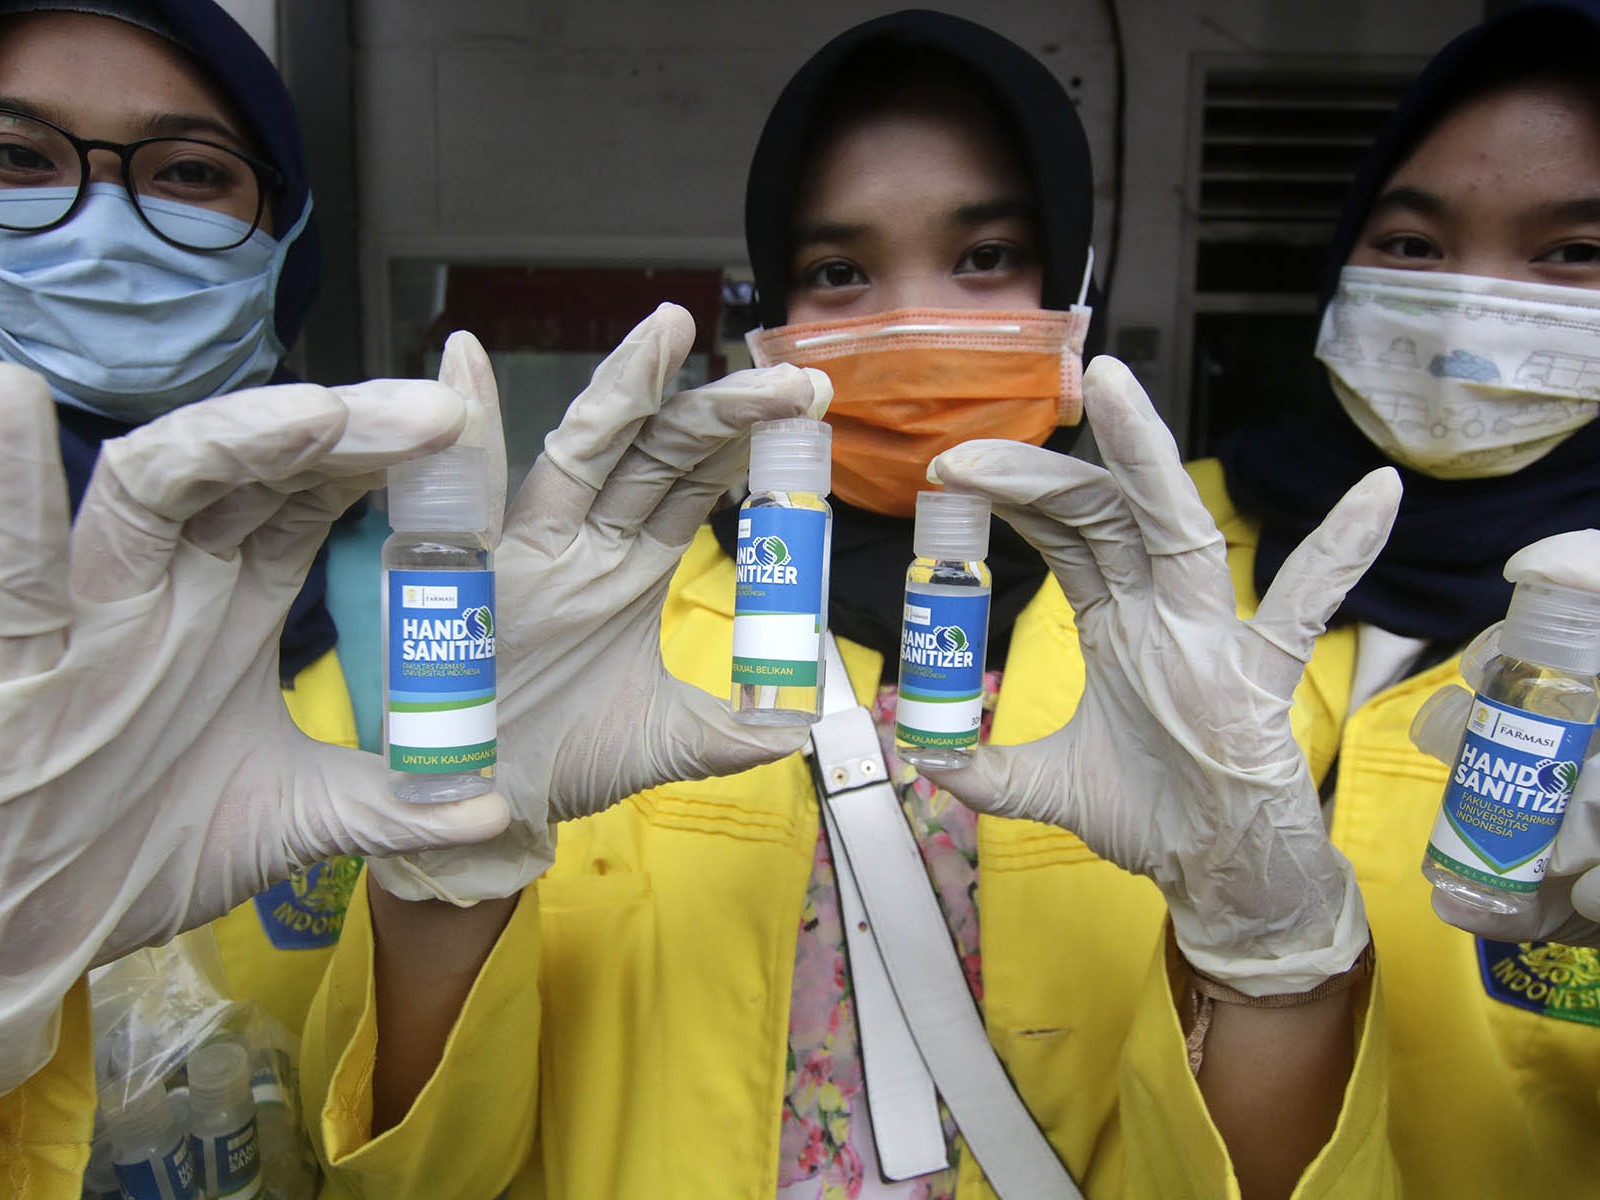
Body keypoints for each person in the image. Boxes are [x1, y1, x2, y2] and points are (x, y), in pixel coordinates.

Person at [293, 13, 1403, 1200]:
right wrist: (446, 876)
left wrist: (1269, 963)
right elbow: (409, 1178)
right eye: (838, 272)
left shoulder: (1222, 664)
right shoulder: (608, 637)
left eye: (984, 255)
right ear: (770, 316)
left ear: (1074, 281)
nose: (913, 320)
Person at [0, 2, 831, 1194]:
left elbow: (426, 1177)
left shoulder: (385, 615)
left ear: (287, 234)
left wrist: (447, 891)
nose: (101, 225)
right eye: (18, 158)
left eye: (186, 173)